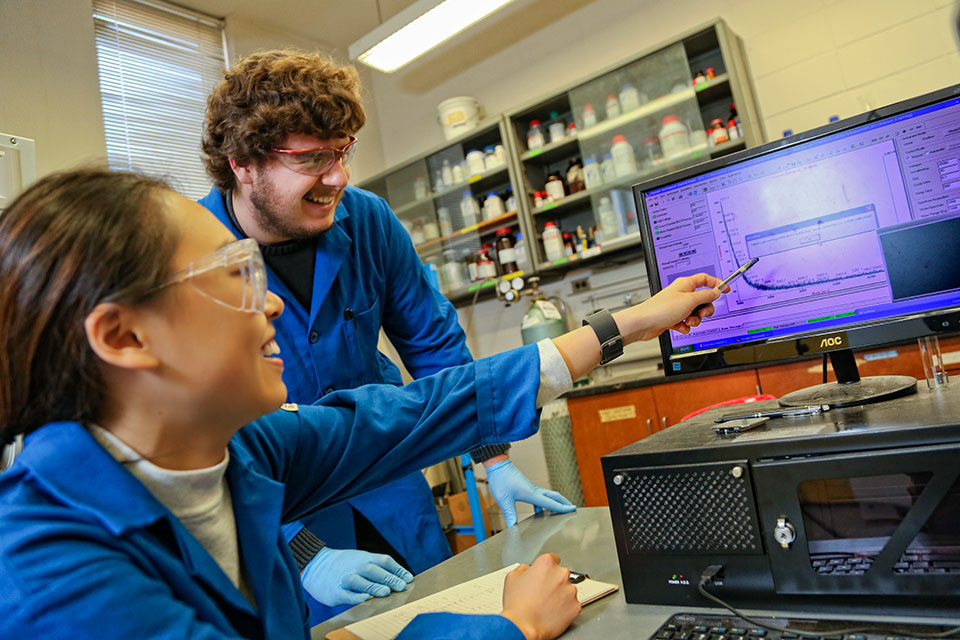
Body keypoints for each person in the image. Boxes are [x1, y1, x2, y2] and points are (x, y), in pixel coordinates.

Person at [0, 169, 722, 638]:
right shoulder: (51, 573)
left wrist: (628, 322)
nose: (273, 303)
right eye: (232, 278)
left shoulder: (238, 451)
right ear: (124, 335)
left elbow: (422, 409)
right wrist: (508, 630)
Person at [198, 50, 575, 620]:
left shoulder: (367, 219)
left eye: (343, 150)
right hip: (274, 512)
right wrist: (303, 554)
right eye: (313, 158)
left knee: (441, 614)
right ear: (242, 163)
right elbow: (200, 437)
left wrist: (493, 457)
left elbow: (432, 344)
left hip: (387, 484)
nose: (339, 176)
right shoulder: (194, 256)